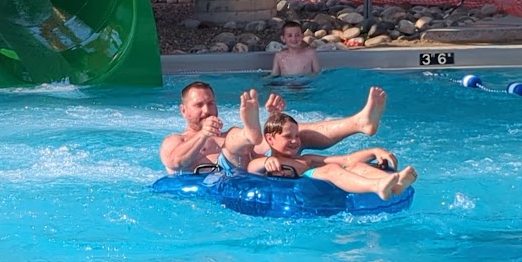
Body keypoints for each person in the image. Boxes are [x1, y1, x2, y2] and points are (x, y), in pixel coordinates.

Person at [160, 81, 387, 174]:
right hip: (217, 181)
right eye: (199, 105)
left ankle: (359, 123)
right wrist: (202, 134)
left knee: (291, 134)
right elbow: (175, 162)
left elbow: (267, 148)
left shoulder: (226, 132)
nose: (206, 109)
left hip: (247, 168)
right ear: (183, 110)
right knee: (233, 144)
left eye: (211, 103)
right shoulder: (175, 140)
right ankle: (250, 132)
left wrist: (274, 120)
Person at [247, 113, 416, 199]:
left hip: (313, 180)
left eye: (297, 136)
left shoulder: (306, 159)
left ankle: (396, 183)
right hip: (301, 188)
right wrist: (268, 161)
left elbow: (346, 160)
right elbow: (251, 167)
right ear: (270, 139)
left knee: (355, 167)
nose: (294, 141)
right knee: (331, 170)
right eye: (287, 137)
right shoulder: (267, 160)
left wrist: (374, 151)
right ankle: (377, 186)